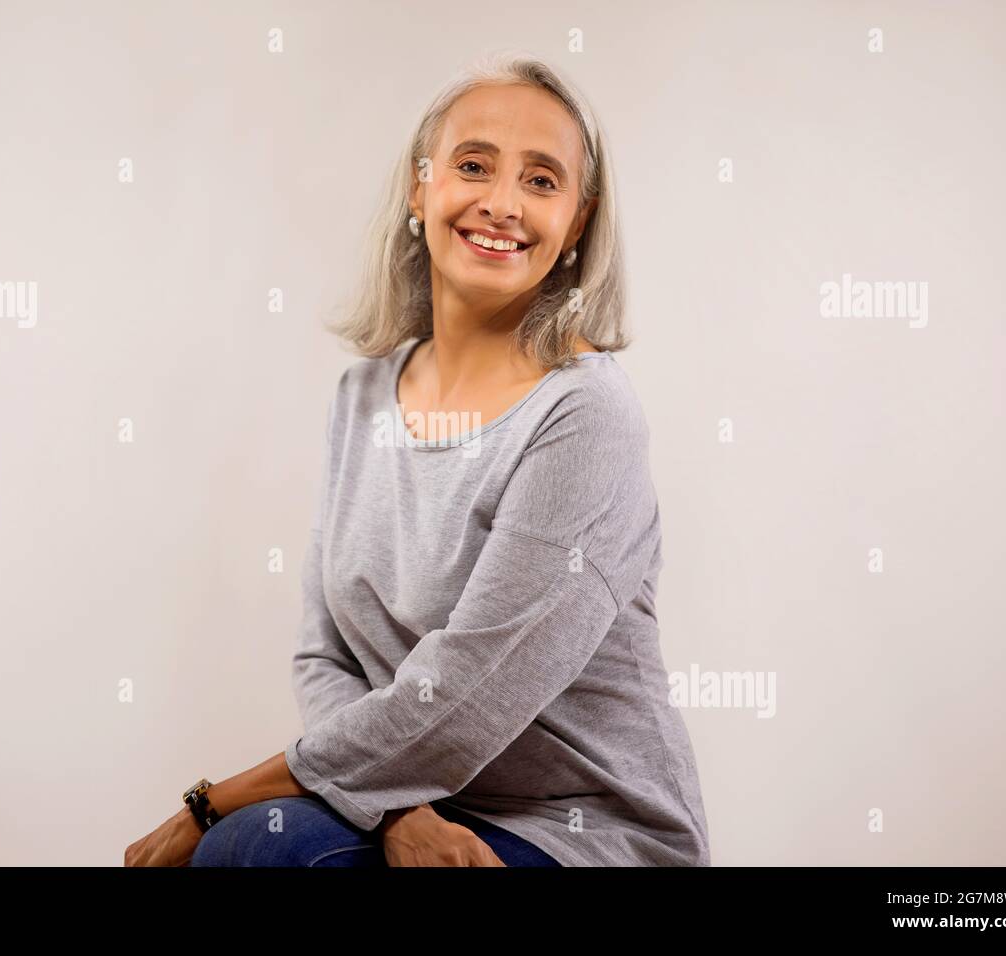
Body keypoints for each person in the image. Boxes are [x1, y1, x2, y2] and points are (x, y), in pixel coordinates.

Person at [125, 49, 710, 868]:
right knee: (261, 848)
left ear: (578, 221)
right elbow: (324, 652)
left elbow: (472, 694)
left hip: (586, 829)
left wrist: (210, 801)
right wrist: (400, 810)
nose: (502, 204)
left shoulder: (585, 415)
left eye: (542, 181)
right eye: (474, 165)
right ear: (421, 185)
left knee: (251, 846)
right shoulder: (363, 396)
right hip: (429, 801)